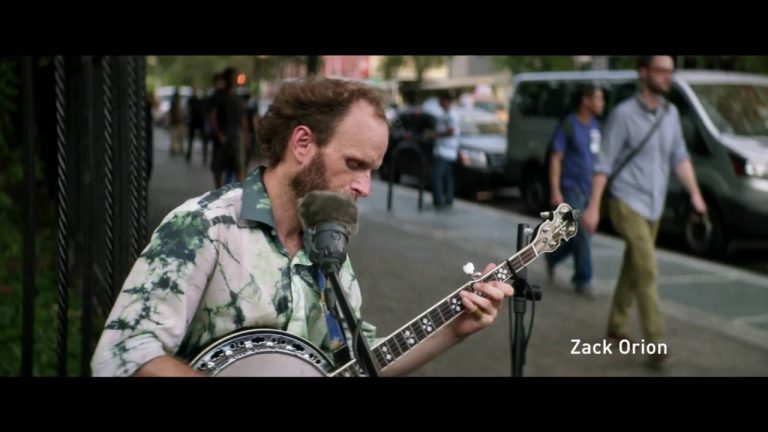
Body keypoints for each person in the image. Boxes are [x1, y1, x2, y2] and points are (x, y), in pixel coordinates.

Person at [91, 77, 514, 377]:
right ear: (303, 144)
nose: (364, 187)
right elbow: (122, 352)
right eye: (354, 165)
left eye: (374, 171)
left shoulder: (328, 244)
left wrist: (455, 330)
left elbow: (359, 363)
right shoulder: (205, 226)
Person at [582, 56, 708, 369]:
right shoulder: (624, 115)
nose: (668, 77)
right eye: (661, 71)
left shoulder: (671, 114)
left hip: (654, 204)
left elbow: (680, 157)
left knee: (633, 267)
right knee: (648, 268)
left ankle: (616, 326)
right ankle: (657, 343)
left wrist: (695, 195)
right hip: (626, 202)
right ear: (644, 73)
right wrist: (594, 207)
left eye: (671, 71)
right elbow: (604, 164)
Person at [546, 84, 605, 298]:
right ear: (586, 101)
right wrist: (555, 190)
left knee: (576, 236)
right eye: (598, 98)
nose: (602, 103)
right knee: (583, 232)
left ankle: (552, 257)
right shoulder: (569, 125)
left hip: (589, 190)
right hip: (572, 190)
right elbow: (556, 158)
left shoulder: (596, 127)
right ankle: (584, 280)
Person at [430, 91, 460, 210]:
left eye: (440, 100)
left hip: (445, 151)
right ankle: (448, 200)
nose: (439, 102)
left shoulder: (451, 115)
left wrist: (436, 135)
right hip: (447, 151)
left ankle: (439, 201)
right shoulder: (447, 113)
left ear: (446, 100)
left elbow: (451, 131)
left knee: (437, 176)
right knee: (448, 178)